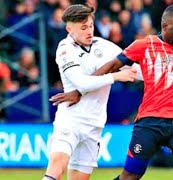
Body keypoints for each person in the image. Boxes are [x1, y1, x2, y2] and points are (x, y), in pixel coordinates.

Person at [52, 4, 173, 180]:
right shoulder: (144, 45)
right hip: (150, 123)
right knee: (130, 176)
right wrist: (80, 91)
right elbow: (112, 65)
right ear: (165, 27)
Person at [42, 4, 138, 180]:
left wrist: (162, 69)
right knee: (56, 168)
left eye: (91, 26)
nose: (89, 31)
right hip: (71, 118)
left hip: (94, 124)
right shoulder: (65, 49)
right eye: (83, 27)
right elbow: (82, 83)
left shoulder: (105, 46)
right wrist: (115, 76)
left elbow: (136, 70)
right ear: (69, 29)